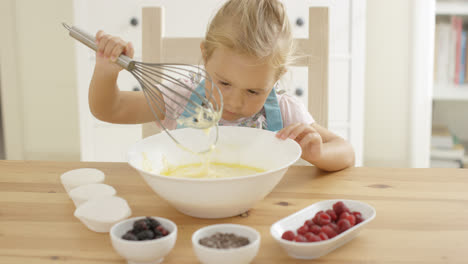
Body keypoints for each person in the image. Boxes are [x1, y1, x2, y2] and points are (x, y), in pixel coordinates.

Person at [88, 0, 355, 171]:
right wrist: (105, 71)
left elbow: (345, 152)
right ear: (205, 56)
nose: (235, 102)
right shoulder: (181, 96)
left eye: (254, 91)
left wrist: (317, 153)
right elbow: (110, 109)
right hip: (187, 213)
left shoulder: (284, 112)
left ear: (276, 78)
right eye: (224, 82)